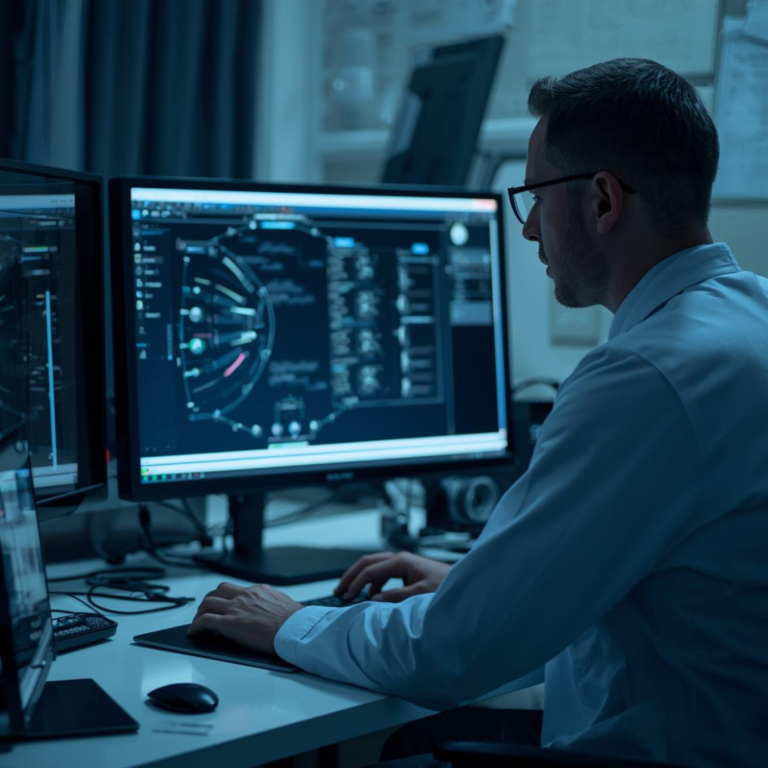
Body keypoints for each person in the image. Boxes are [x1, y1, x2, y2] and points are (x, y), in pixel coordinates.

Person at [189, 58, 768, 767]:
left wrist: (290, 623)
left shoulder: (645, 378)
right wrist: (483, 584)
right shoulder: (750, 320)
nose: (527, 232)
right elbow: (685, 577)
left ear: (603, 202)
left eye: (534, 196)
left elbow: (449, 658)